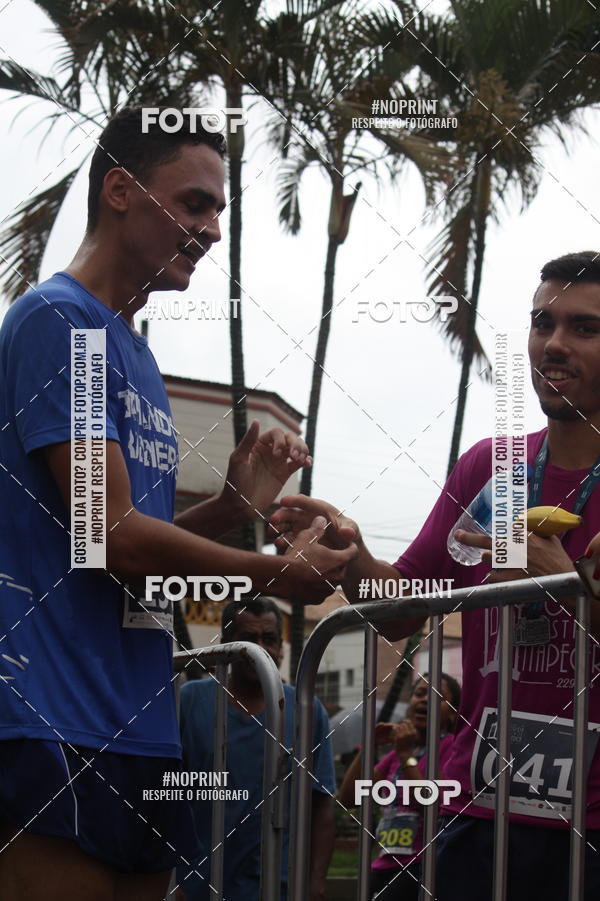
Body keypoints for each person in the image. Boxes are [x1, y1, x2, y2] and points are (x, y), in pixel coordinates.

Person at [0, 106, 356, 901]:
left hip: (141, 720)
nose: (214, 229)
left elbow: (119, 539)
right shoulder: (67, 325)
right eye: (195, 204)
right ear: (120, 190)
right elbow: (111, 535)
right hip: (55, 715)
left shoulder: (130, 348)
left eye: (220, 209)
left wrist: (230, 506)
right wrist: (269, 574)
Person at [270, 250, 600, 900]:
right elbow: (401, 607)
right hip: (477, 809)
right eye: (542, 322)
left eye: (584, 327)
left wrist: (564, 584)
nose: (554, 343)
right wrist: (352, 550)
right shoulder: (491, 467)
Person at [177, 596, 336, 901]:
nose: (261, 648)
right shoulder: (190, 700)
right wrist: (169, 876)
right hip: (197, 884)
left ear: (281, 649)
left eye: (270, 639)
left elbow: (321, 804)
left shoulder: (306, 709)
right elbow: (164, 796)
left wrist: (315, 884)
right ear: (225, 645)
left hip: (277, 885)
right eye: (248, 639)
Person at [338, 674, 460, 901]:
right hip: (384, 863)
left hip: (420, 865)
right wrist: (370, 744)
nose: (425, 700)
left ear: (452, 712)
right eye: (419, 694)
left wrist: (405, 756)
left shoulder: (450, 747)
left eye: (437, 697)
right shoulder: (397, 753)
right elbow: (349, 798)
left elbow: (432, 804)